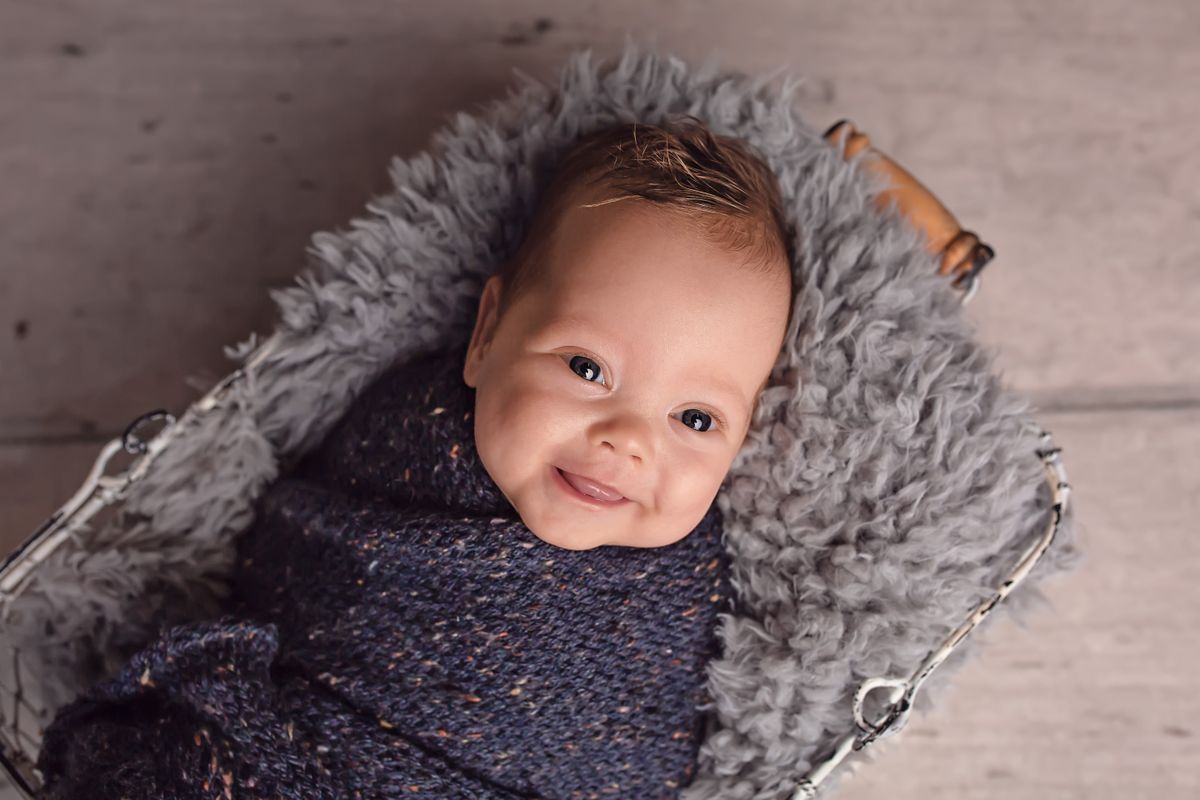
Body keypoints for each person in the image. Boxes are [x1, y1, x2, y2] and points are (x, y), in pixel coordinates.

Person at [34, 114, 796, 799]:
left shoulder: (686, 580)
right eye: (587, 368)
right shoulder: (411, 428)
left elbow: (645, 758)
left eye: (695, 417)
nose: (629, 439)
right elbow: (297, 556)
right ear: (488, 333)